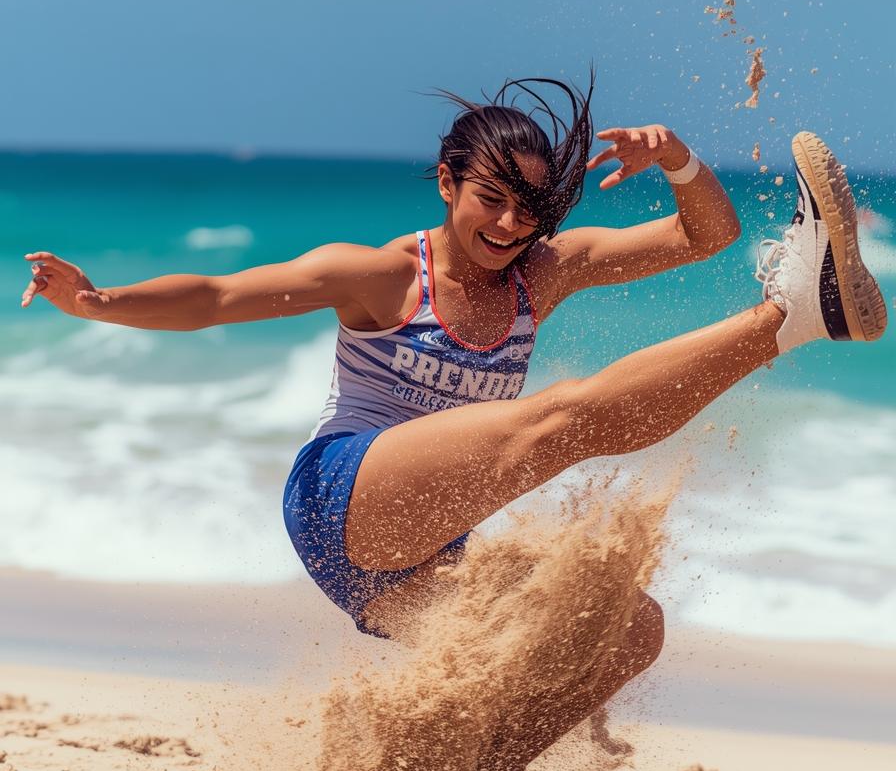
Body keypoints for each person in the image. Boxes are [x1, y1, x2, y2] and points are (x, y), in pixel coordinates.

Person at [21, 78, 886, 712]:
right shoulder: (383, 276)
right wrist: (98, 303)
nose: (511, 226)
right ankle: (795, 315)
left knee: (625, 629)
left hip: (422, 558)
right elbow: (217, 297)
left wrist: (679, 160)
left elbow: (709, 234)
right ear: (447, 182)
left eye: (529, 209)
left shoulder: (541, 274)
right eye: (491, 200)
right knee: (556, 420)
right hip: (343, 499)